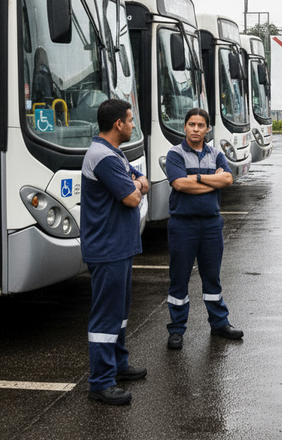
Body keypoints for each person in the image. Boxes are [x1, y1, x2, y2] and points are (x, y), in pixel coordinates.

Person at [81, 99, 149, 405]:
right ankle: (100, 382)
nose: (133, 125)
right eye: (131, 120)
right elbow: (132, 198)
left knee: (119, 315)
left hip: (119, 247)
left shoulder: (115, 154)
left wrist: (136, 184)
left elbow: (142, 183)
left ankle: (118, 366)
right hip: (108, 249)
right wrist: (135, 186)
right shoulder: (104, 158)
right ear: (118, 124)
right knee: (106, 318)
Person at [165, 108, 242, 350]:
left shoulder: (216, 154)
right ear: (185, 127)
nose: (196, 129)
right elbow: (179, 184)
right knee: (179, 279)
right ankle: (176, 329)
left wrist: (195, 178)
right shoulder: (175, 154)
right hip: (183, 225)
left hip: (210, 224)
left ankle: (219, 323)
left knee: (212, 277)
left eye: (201, 125)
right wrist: (209, 180)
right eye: (192, 124)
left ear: (207, 129)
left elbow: (228, 180)